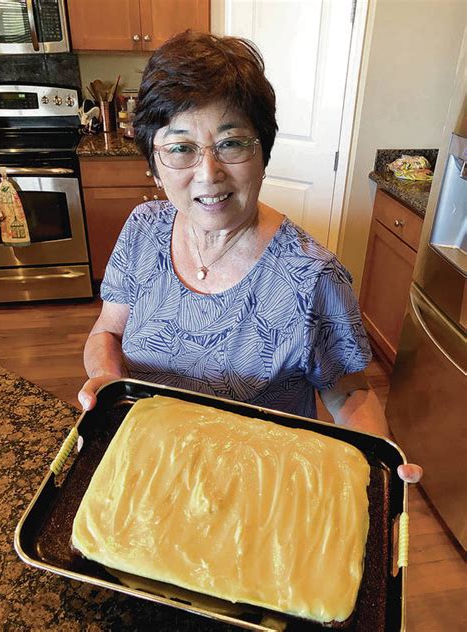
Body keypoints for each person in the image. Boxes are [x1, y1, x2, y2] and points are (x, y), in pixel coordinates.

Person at [78, 30, 421, 484]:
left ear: (263, 152)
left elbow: (351, 393)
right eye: (181, 148)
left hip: (258, 489)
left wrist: (378, 475)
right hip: (152, 466)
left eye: (231, 143)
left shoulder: (312, 276)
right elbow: (108, 330)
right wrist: (107, 378)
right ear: (154, 164)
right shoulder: (144, 228)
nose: (208, 173)